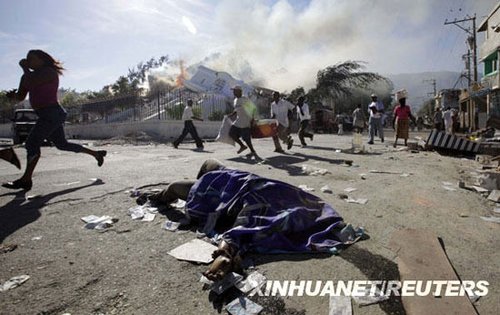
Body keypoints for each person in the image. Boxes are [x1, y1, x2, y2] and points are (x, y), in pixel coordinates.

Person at [137, 159, 363, 281]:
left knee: (252, 212)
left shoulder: (208, 178)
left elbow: (182, 187)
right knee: (262, 211)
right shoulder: (233, 173)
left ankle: (226, 250)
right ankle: (227, 249)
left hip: (241, 191)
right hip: (262, 187)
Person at [3, 50, 106, 191]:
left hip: (52, 113)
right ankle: (96, 154)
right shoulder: (27, 76)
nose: (28, 61)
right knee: (62, 144)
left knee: (32, 143)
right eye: (27, 59)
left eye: (31, 59)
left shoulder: (49, 72)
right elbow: (21, 96)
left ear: (42, 60)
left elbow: (33, 81)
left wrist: (24, 68)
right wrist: (12, 96)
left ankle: (26, 180)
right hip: (46, 114)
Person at [227, 86, 259, 158]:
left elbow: (253, 108)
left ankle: (252, 151)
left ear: (240, 91)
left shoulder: (245, 99)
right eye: (233, 91)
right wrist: (231, 114)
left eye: (235, 91)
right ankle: (242, 146)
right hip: (238, 120)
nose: (233, 92)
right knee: (231, 133)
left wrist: (253, 119)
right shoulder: (235, 100)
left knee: (247, 139)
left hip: (246, 121)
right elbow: (236, 110)